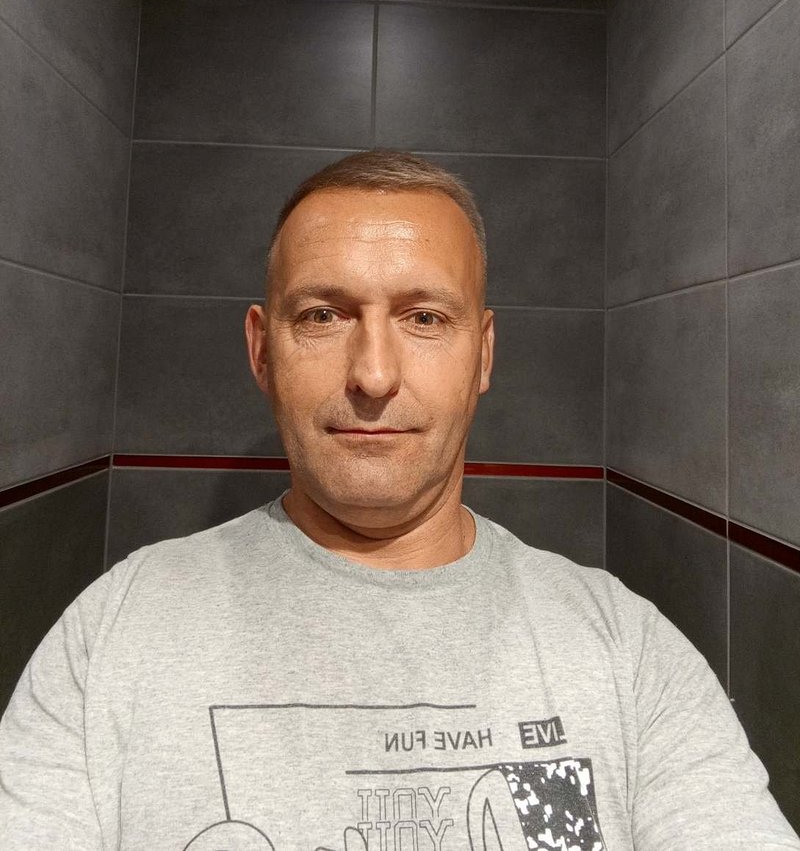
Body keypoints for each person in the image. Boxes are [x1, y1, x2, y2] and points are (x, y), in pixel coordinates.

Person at [0, 149, 797, 851]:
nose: (374, 375)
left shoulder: (627, 653)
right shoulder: (115, 636)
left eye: (424, 317)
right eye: (322, 314)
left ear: (482, 354)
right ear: (262, 350)